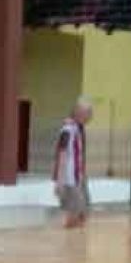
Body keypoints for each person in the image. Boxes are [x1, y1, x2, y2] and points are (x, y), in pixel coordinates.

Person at [54, 97, 93, 228]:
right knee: (73, 216)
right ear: (79, 113)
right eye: (88, 113)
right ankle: (68, 243)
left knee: (84, 212)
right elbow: (62, 154)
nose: (90, 117)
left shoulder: (79, 129)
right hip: (70, 179)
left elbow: (80, 154)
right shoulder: (67, 130)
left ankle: (77, 245)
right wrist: (60, 181)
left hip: (80, 178)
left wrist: (84, 175)